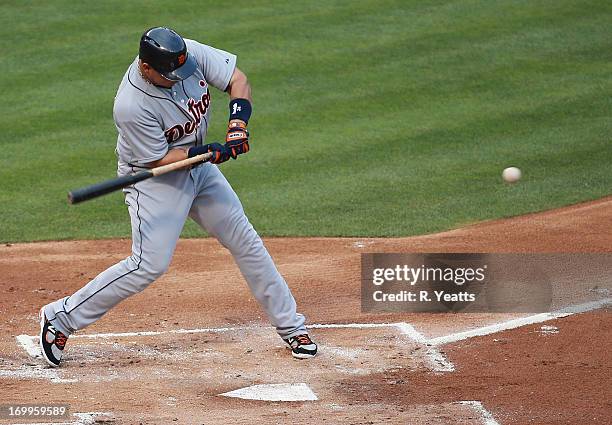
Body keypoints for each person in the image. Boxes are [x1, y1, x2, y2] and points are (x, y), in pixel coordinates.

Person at [39, 27, 317, 367]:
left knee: (244, 239)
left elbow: (238, 80)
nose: (177, 78)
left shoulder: (187, 54)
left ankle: (292, 327)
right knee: (148, 265)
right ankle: (61, 318)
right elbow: (159, 159)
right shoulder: (130, 105)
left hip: (198, 168)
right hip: (155, 180)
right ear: (146, 68)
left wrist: (237, 126)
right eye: (168, 75)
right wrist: (206, 151)